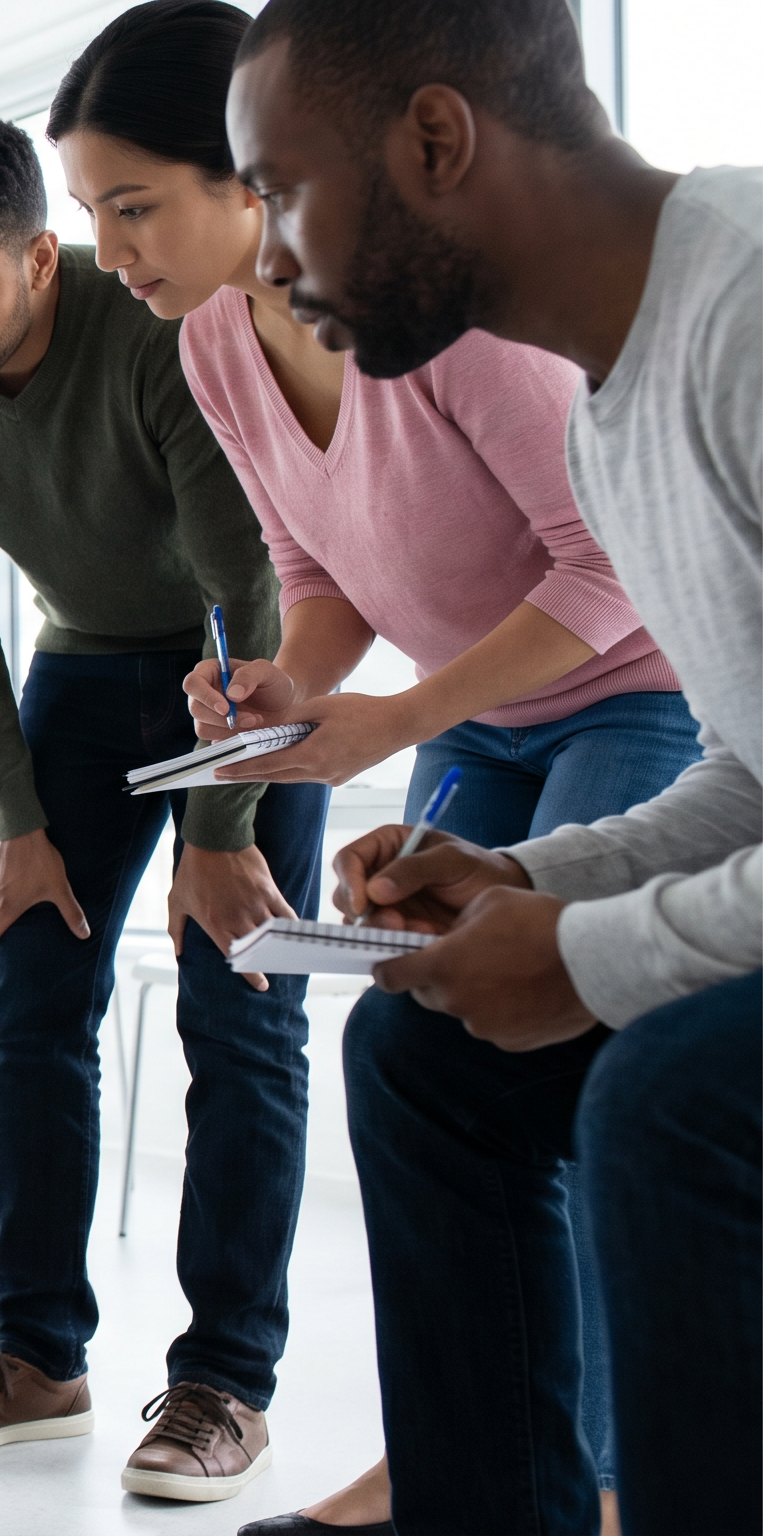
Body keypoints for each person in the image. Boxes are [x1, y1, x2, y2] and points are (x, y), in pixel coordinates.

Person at [48, 4, 706, 1529]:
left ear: (247, 180)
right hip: (476, 714)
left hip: (635, 696)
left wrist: (392, 724)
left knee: (570, 1063)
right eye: (89, 214)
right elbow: (311, 564)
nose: (110, 247)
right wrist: (296, 681)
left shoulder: (442, 319)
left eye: (133, 204)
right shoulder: (212, 344)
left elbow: (603, 572)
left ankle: (601, 1475)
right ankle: (459, 1456)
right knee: (420, 1046)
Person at [225, 1, 761, 1532]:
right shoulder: (608, 414)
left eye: (276, 188)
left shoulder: (750, 308)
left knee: (676, 1100)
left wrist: (589, 952)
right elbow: (752, 774)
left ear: (438, 141)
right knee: (424, 1056)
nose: (262, 256)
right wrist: (531, 878)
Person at [0, 113, 322, 1506]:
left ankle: (227, 1380)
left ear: (39, 260)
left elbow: (248, 580)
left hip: (245, 664)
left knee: (243, 1015)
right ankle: (36, 1352)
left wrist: (222, 837)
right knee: (35, 990)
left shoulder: (152, 327)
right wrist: (15, 817)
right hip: (79, 672)